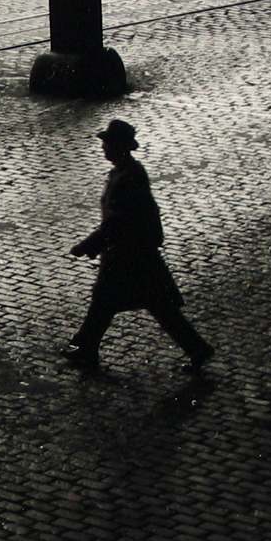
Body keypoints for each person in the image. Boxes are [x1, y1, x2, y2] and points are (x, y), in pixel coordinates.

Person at [62, 118, 214, 375]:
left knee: (129, 304)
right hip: (129, 253)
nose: (103, 148)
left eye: (107, 143)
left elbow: (116, 222)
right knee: (128, 303)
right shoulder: (125, 173)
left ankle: (87, 347)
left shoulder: (126, 178)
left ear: (118, 146)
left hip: (129, 255)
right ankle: (87, 346)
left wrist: (88, 244)